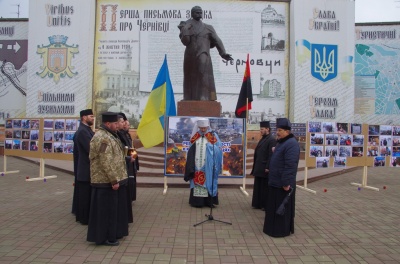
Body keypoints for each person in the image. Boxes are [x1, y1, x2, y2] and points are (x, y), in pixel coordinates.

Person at [87, 112, 129, 246]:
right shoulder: (102, 138)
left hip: (111, 180)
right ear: (107, 124)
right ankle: (104, 237)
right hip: (105, 181)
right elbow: (105, 160)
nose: (118, 126)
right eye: (115, 123)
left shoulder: (110, 135)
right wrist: (113, 180)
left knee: (112, 211)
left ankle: (113, 233)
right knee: (105, 212)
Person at [179, 6, 233, 101]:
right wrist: (185, 30)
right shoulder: (186, 25)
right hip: (189, 55)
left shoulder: (208, 27)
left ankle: (204, 96)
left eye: (200, 12)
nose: (199, 14)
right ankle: (187, 97)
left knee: (202, 73)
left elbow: (217, 40)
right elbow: (185, 42)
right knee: (188, 75)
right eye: (197, 12)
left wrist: (223, 53)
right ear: (192, 14)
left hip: (203, 53)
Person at [263, 118, 300, 238]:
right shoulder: (281, 142)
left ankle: (280, 231)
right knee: (273, 207)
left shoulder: (291, 144)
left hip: (282, 184)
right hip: (275, 182)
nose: (277, 132)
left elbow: (290, 165)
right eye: (277, 130)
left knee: (281, 209)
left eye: (280, 130)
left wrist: (286, 183)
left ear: (287, 132)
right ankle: (272, 229)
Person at [184, 118, 223, 207]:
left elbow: (219, 149)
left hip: (208, 165)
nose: (203, 130)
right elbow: (190, 150)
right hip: (197, 164)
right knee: (197, 182)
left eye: (204, 128)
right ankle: (197, 202)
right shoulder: (195, 136)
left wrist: (210, 147)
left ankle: (209, 201)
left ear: (207, 126)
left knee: (208, 181)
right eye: (201, 128)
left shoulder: (212, 136)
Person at [72, 109, 95, 224]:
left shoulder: (87, 130)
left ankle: (86, 216)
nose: (93, 118)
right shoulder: (82, 131)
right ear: (84, 118)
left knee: (87, 195)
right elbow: (91, 149)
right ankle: (84, 218)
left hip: (88, 168)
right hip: (85, 168)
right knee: (84, 196)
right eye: (91, 116)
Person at [250, 121, 276, 211]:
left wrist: (268, 167)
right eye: (260, 129)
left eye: (262, 129)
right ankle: (258, 203)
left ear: (267, 129)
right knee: (258, 186)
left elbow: (271, 154)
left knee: (264, 187)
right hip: (259, 166)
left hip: (264, 167)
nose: (260, 131)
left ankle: (264, 204)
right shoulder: (264, 138)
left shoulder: (271, 139)